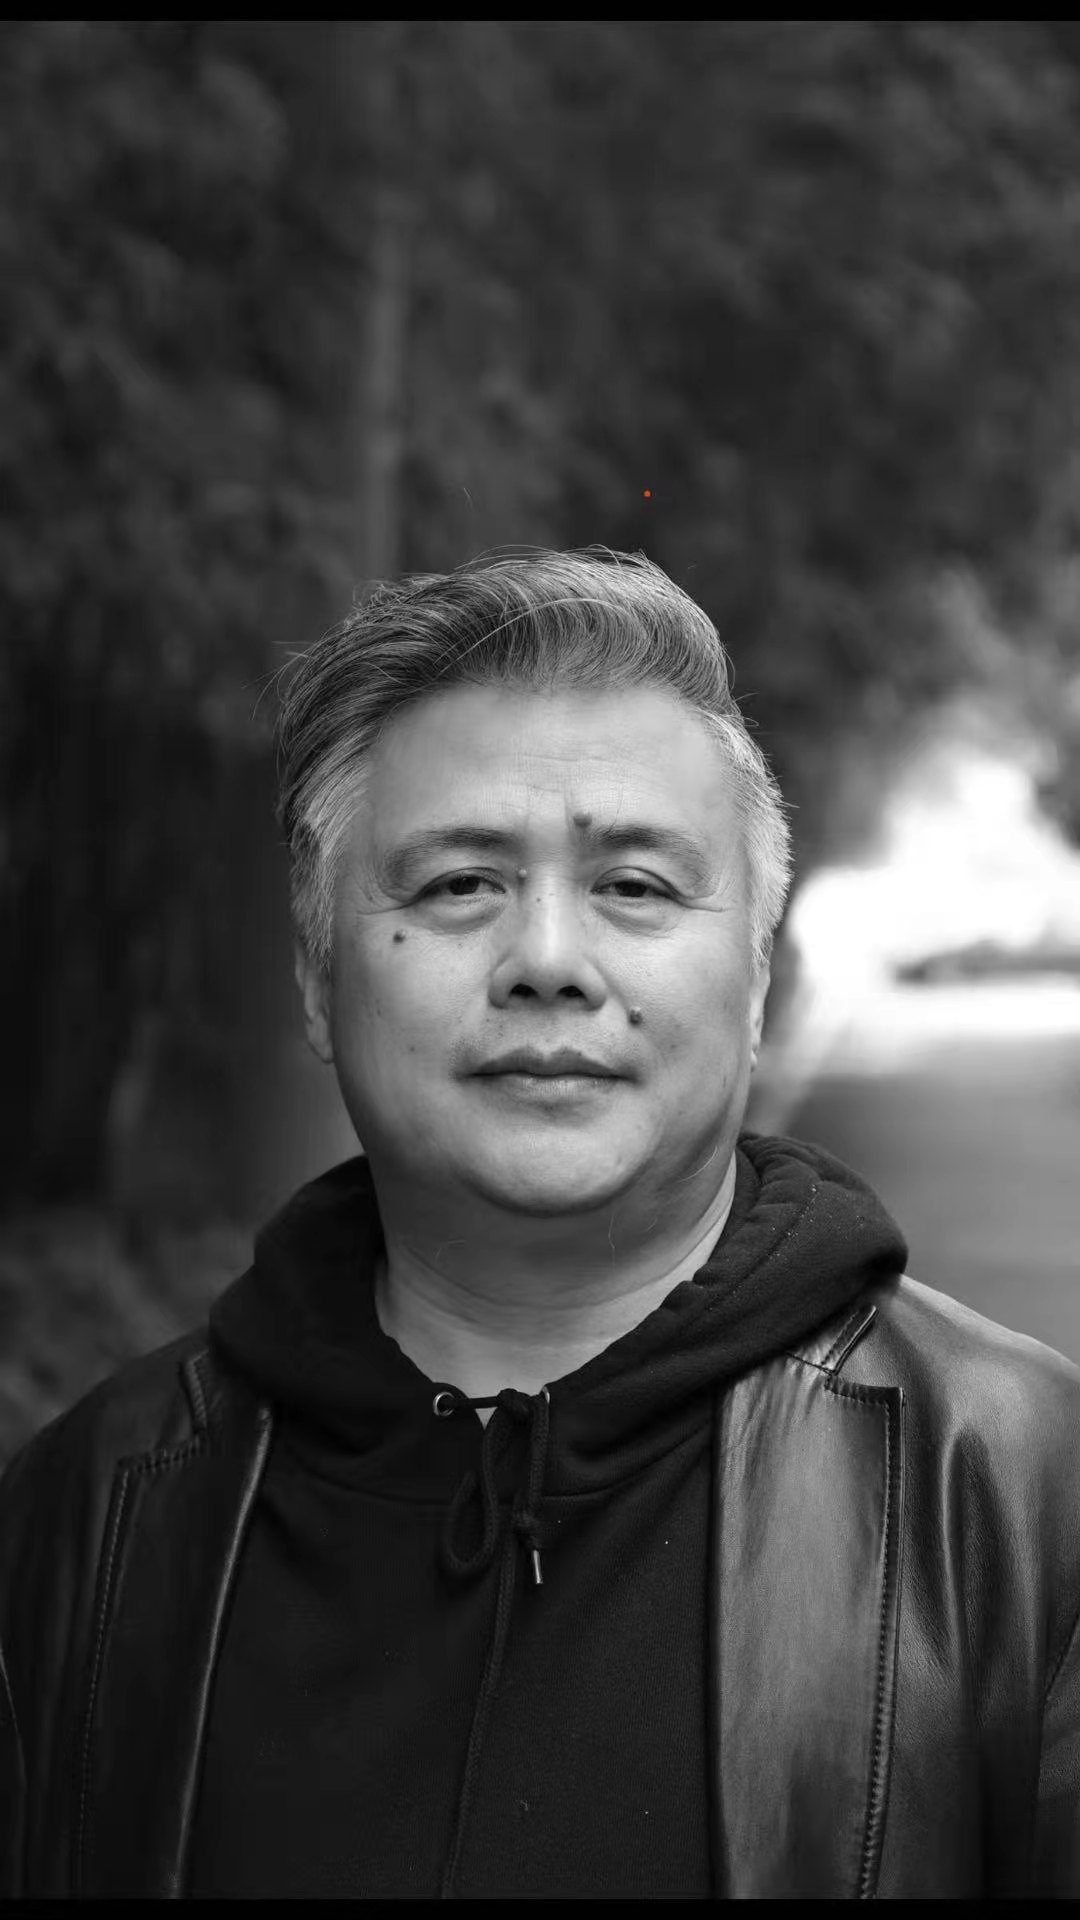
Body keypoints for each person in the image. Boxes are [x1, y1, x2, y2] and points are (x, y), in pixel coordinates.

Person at [1, 546, 1078, 1900]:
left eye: (636, 886)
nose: (550, 962)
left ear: (757, 976)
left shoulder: (1020, 1493)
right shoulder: (93, 1513)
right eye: (460, 884)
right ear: (318, 976)